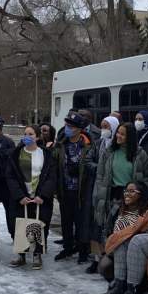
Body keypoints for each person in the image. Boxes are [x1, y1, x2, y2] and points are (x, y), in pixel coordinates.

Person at [6, 125, 58, 269]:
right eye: (25, 134)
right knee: (21, 223)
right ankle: (21, 255)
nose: (27, 136)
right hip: (22, 197)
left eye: (31, 134)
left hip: (39, 198)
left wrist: (43, 195)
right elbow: (10, 177)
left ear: (37, 137)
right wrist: (19, 195)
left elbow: (51, 177)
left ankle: (37, 254)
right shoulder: (16, 154)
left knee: (39, 224)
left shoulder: (46, 154)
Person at [93, 122, 148, 246]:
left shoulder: (140, 154)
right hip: (111, 193)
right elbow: (100, 176)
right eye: (118, 133)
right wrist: (99, 194)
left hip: (130, 197)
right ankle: (103, 258)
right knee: (106, 227)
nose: (118, 136)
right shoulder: (109, 152)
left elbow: (146, 179)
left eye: (123, 134)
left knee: (125, 230)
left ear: (130, 137)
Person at [98, 181, 148, 294]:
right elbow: (107, 230)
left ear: (141, 195)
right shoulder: (118, 208)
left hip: (133, 249)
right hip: (116, 247)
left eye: (132, 191)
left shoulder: (147, 213)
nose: (127, 194)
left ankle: (132, 288)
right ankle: (118, 285)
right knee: (104, 266)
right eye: (126, 191)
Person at [54, 113, 94, 264]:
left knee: (81, 222)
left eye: (71, 126)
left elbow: (93, 164)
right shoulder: (62, 143)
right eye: (66, 125)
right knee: (66, 221)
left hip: (81, 191)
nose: (67, 129)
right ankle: (68, 247)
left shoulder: (88, 145)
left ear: (79, 129)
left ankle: (82, 250)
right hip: (65, 190)